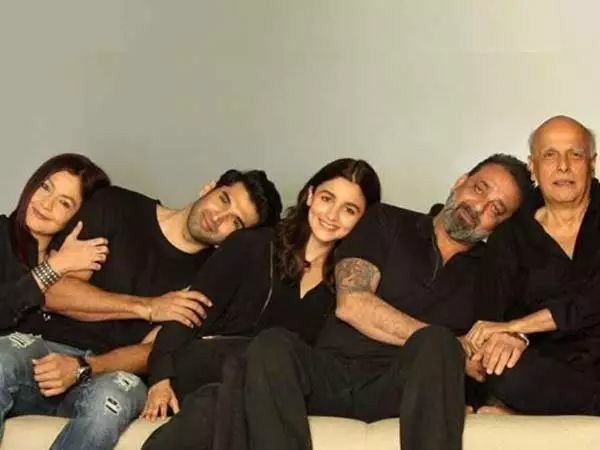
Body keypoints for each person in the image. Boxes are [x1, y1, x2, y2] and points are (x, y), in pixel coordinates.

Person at [243, 154, 532, 450]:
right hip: (332, 373)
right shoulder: (386, 220)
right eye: (479, 189)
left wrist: (513, 338)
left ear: (501, 225)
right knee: (271, 345)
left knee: (437, 343)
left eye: (496, 209)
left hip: (402, 389)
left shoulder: (493, 275)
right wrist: (454, 345)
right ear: (460, 182)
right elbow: (352, 303)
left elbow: (484, 357)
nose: (478, 207)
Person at [0, 166, 282, 450]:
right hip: (45, 347)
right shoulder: (116, 205)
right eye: (223, 199)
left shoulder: (209, 278)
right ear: (209, 188)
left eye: (235, 222)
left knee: (109, 406)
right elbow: (54, 293)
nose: (218, 218)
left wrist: (84, 367)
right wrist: (148, 307)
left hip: (109, 373)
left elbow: (154, 350)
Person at [139, 158, 381, 450]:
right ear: (310, 195)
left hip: (259, 387)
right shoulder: (251, 244)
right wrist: (160, 377)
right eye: (327, 198)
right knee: (237, 387)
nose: (332, 215)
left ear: (363, 220)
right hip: (209, 364)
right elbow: (189, 309)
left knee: (218, 403)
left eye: (349, 209)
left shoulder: (348, 280)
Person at [465, 116, 600, 416]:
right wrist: (505, 337)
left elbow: (592, 300)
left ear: (592, 163)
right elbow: (490, 317)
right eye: (550, 155)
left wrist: (517, 327)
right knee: (502, 368)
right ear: (533, 166)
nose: (563, 166)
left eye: (575, 155)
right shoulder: (510, 233)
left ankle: (525, 413)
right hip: (547, 369)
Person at [0, 153, 110, 331]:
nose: (46, 204)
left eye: (64, 203)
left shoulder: (85, 260)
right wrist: (56, 266)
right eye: (45, 187)